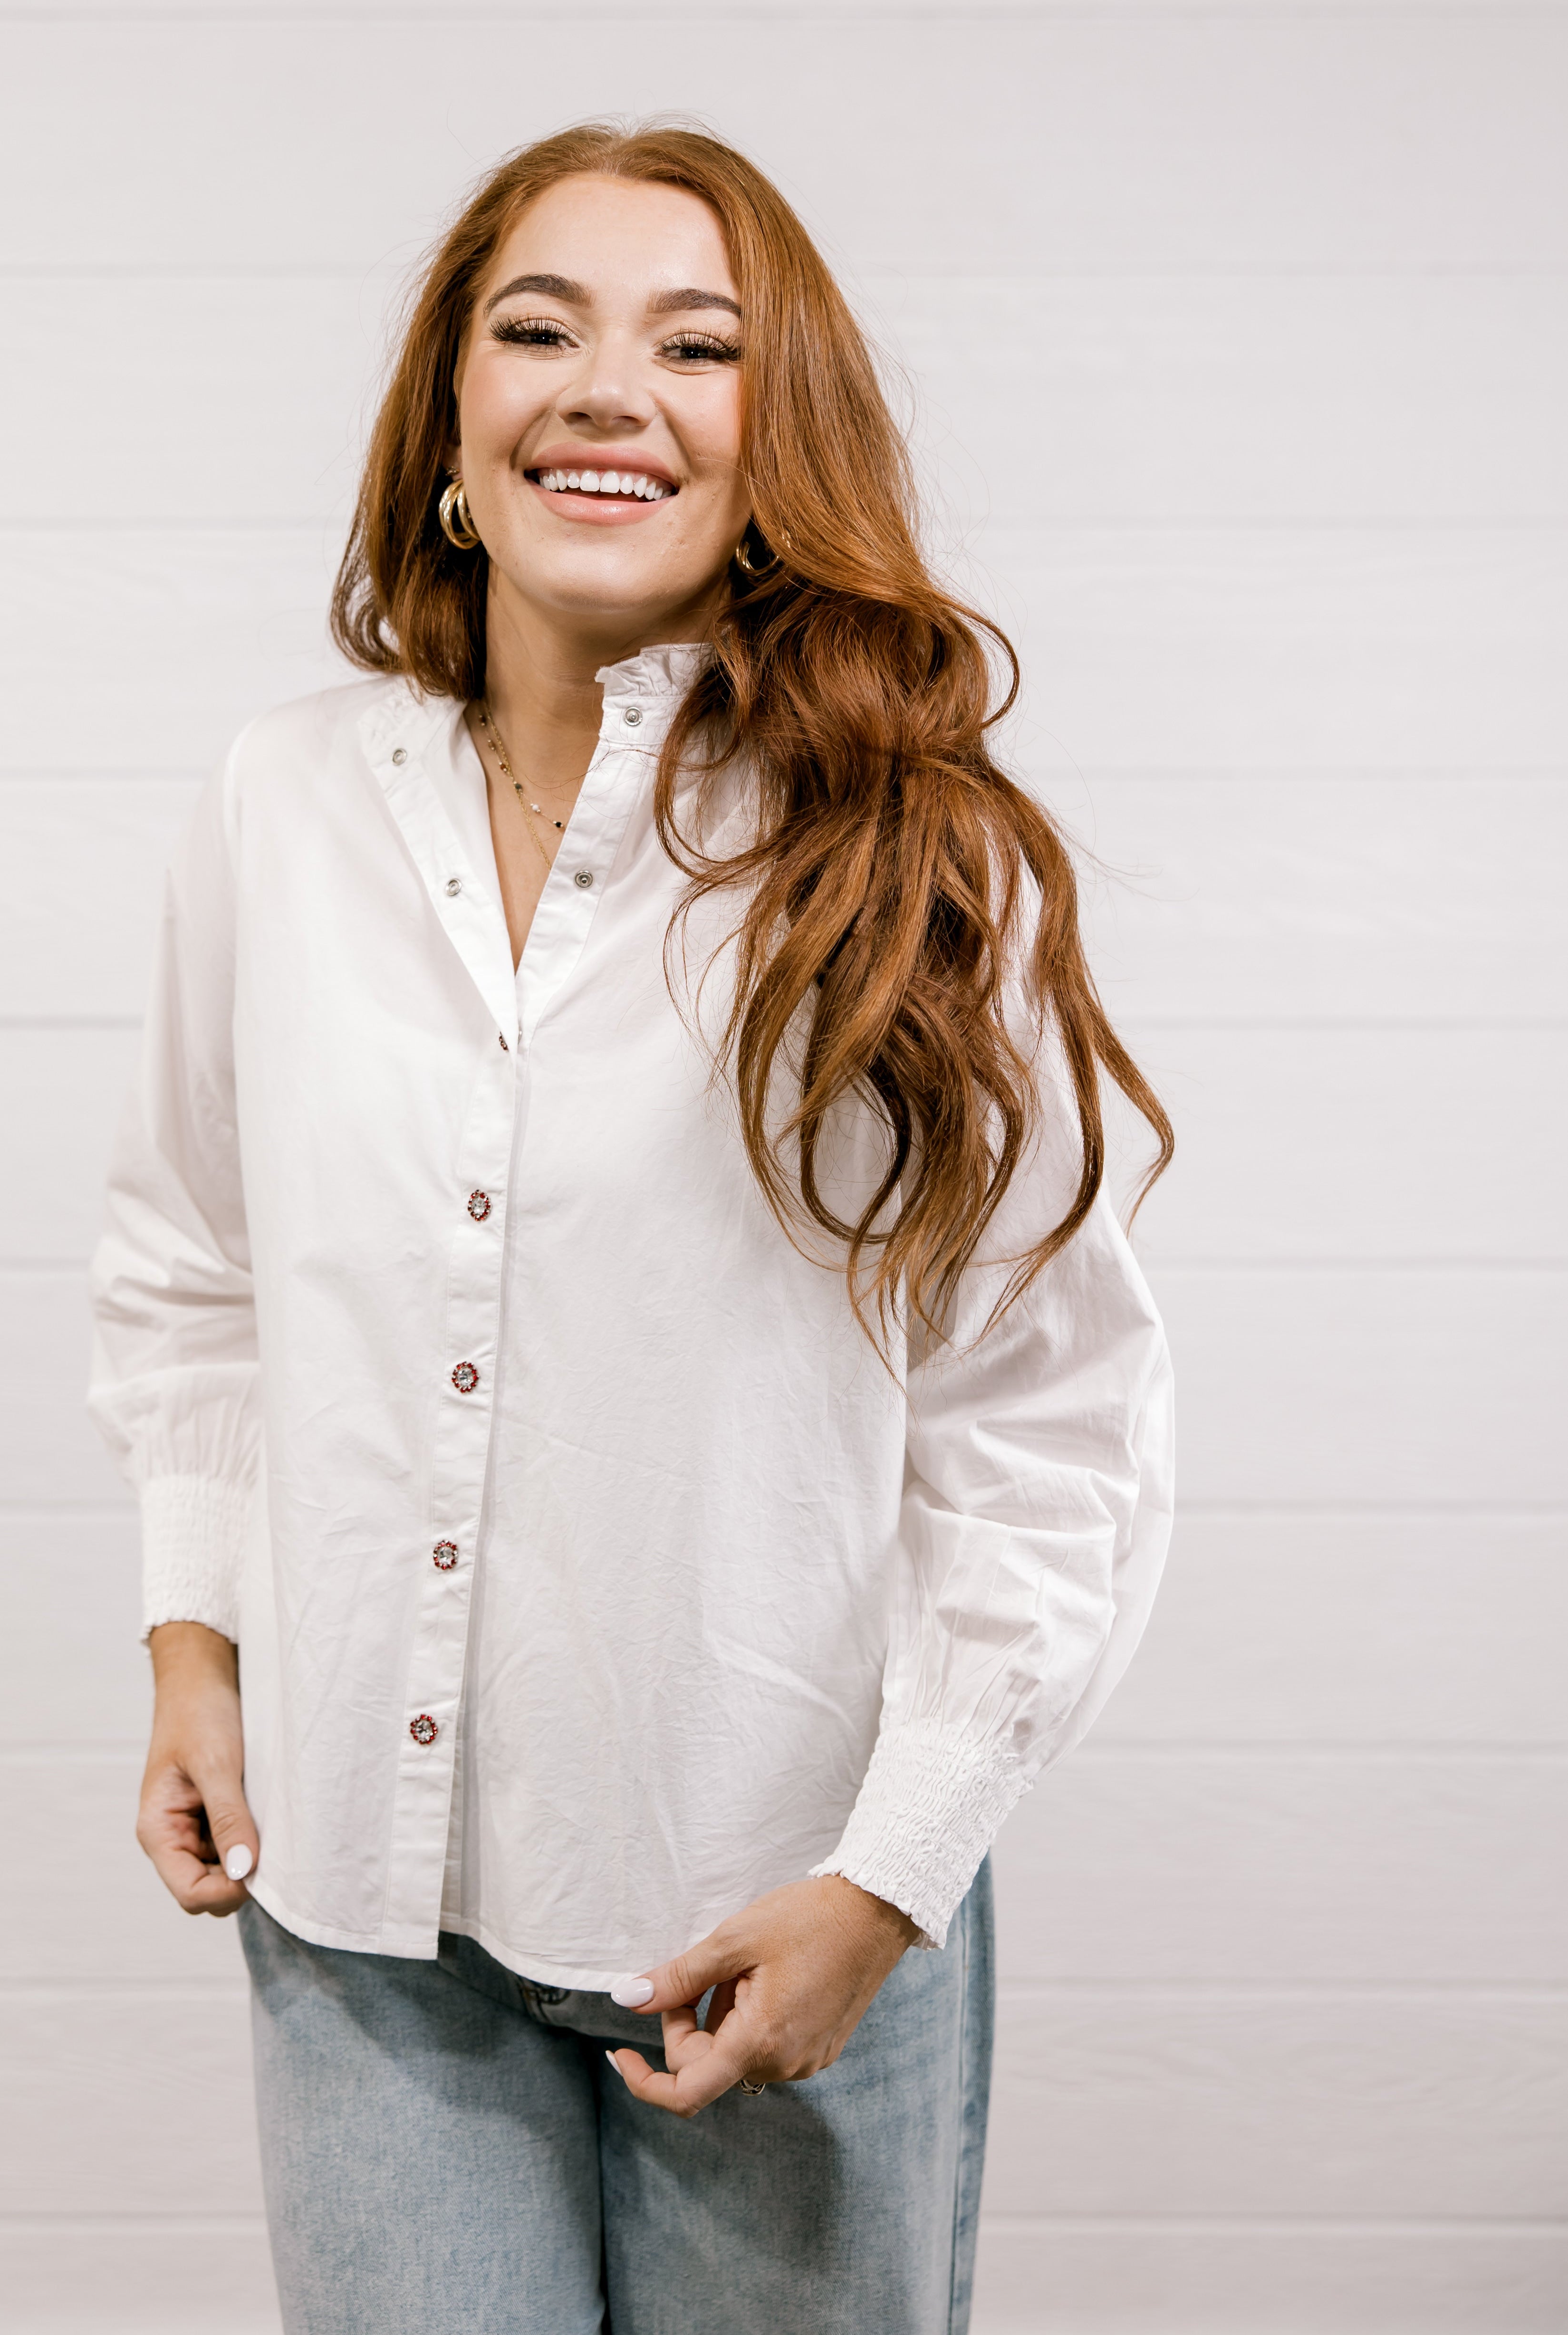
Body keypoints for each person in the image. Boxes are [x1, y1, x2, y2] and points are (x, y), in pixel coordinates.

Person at [88, 118, 1174, 2335]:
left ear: (776, 444)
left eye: (695, 344)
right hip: (360, 1910)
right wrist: (196, 1653)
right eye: (538, 328)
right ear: (448, 425)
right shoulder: (279, 803)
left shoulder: (914, 858)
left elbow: (1046, 1429)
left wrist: (887, 1877)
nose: (609, 388)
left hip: (776, 1900)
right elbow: (197, 1261)